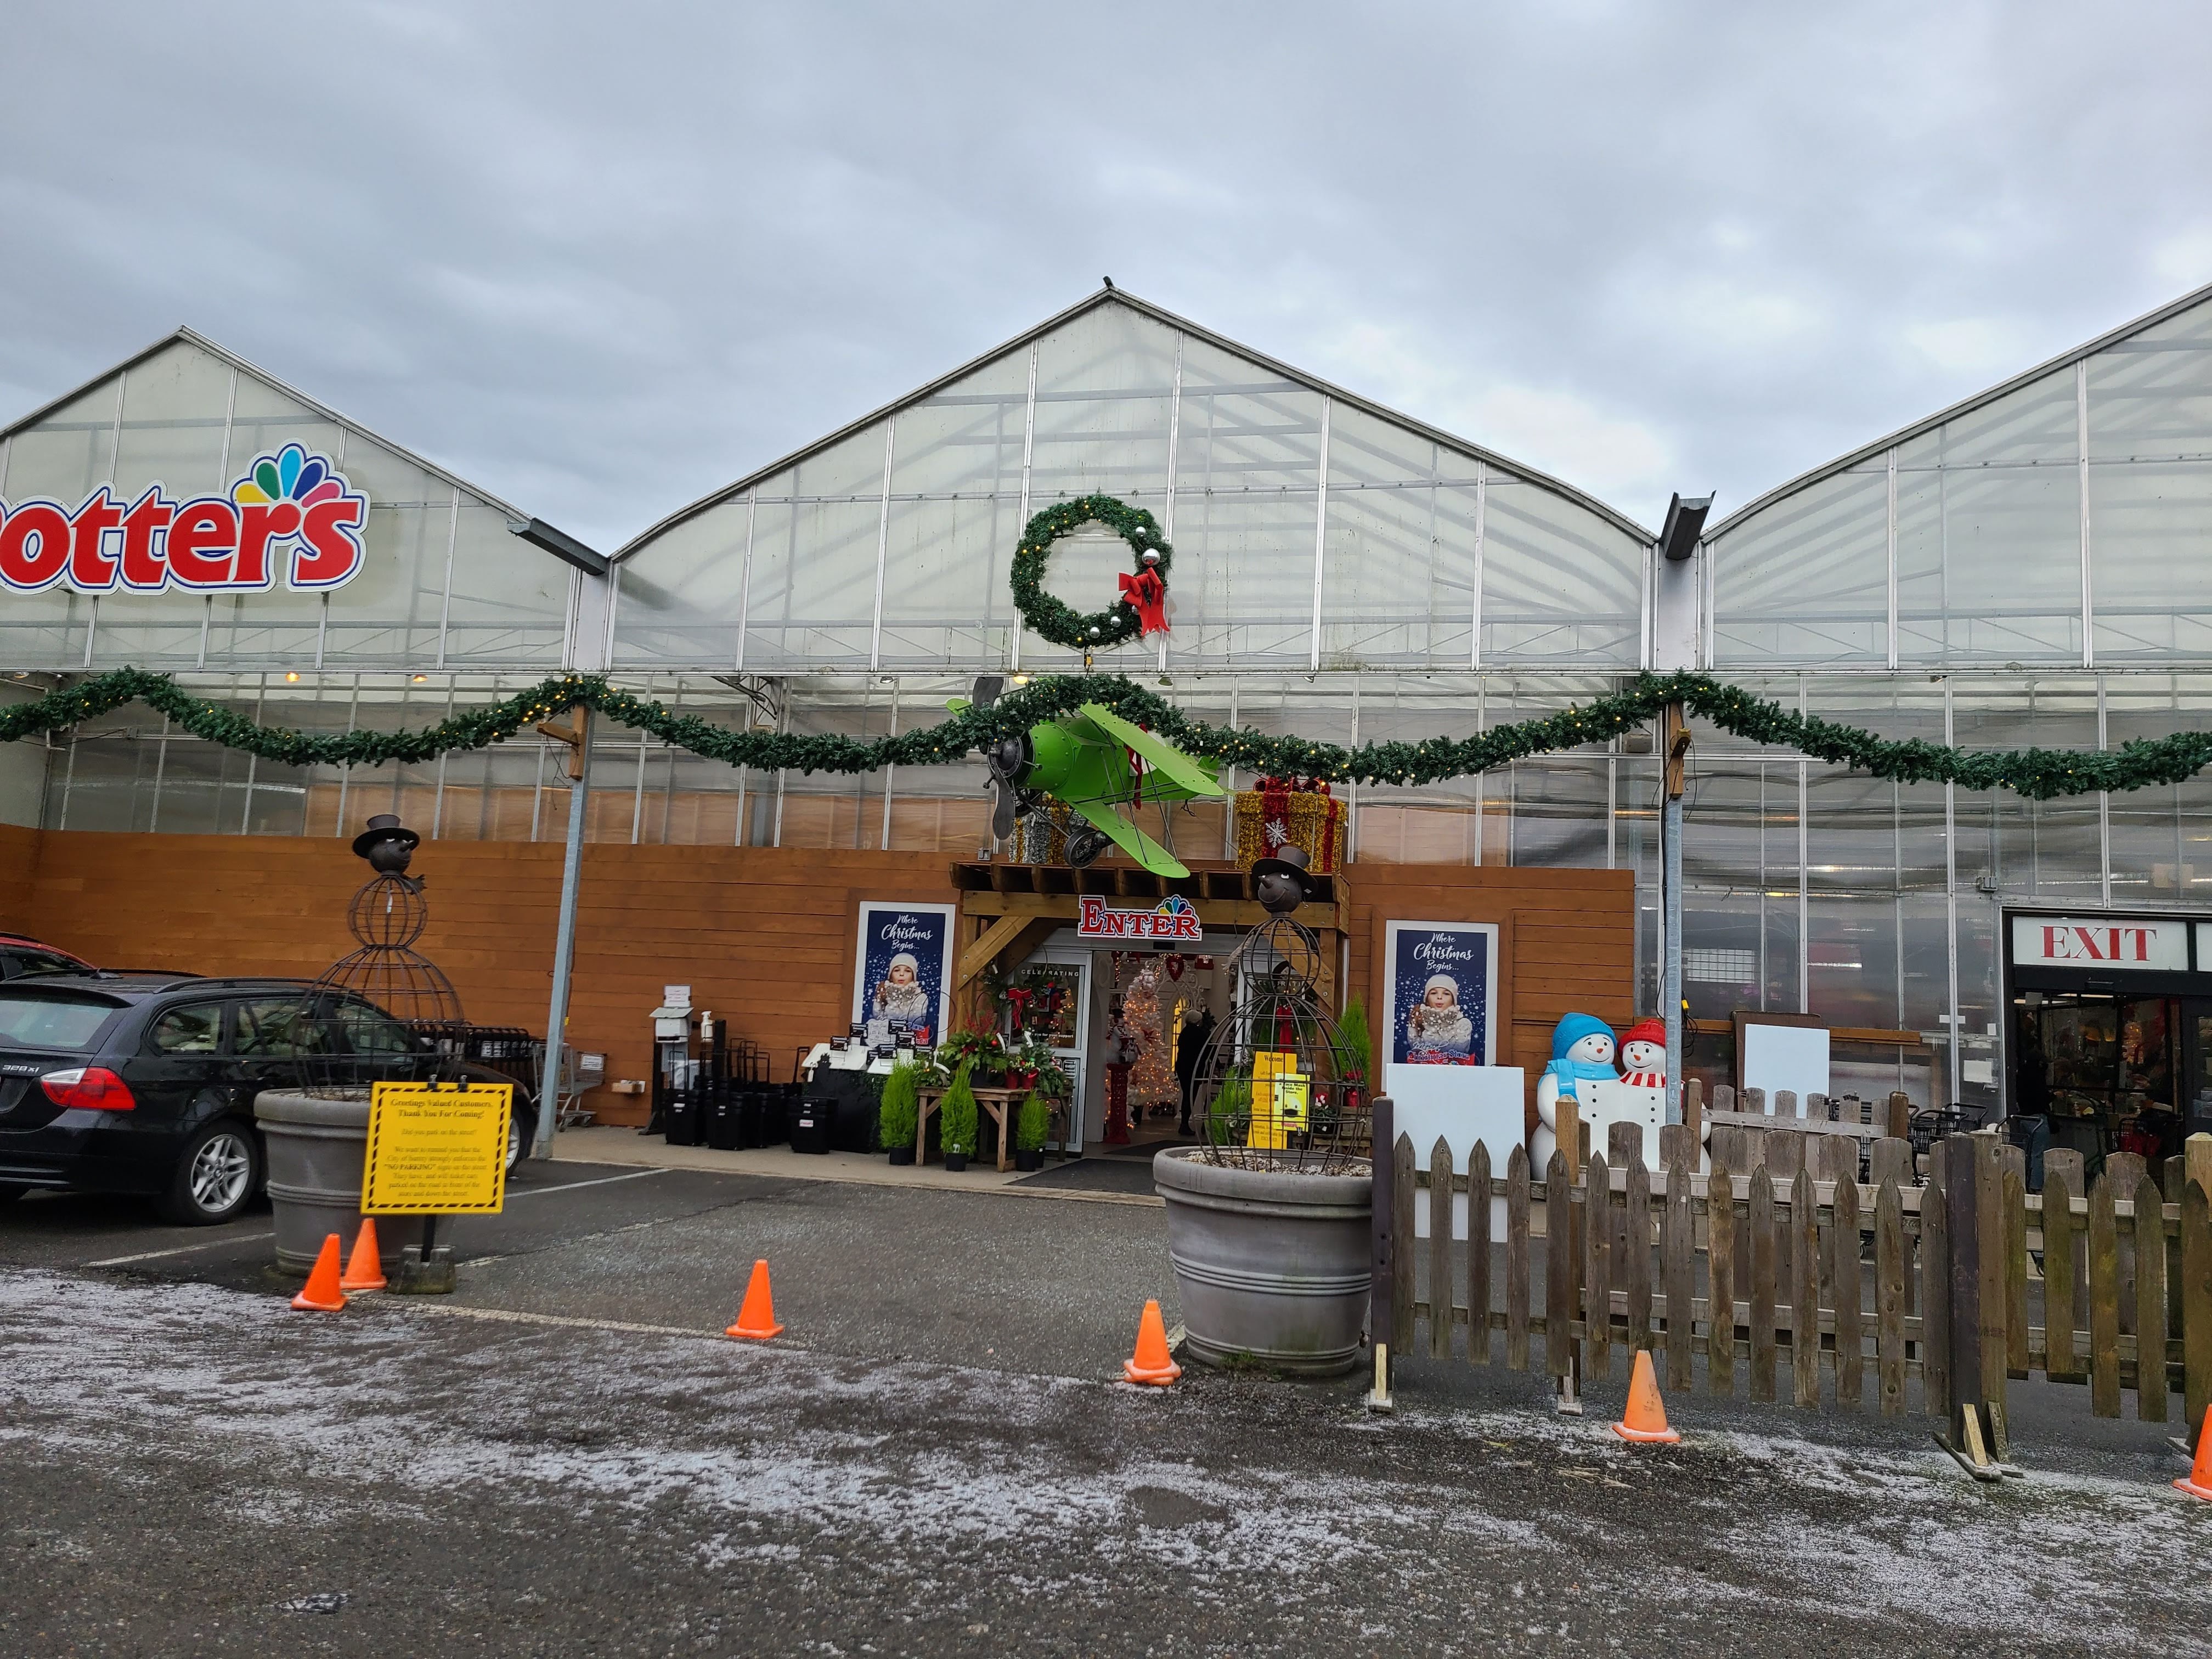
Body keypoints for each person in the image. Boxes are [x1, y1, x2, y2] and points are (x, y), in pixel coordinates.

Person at [1405, 972, 1473, 1060]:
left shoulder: (1464, 1024)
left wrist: (1446, 1026)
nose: (1440, 997)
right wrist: (1432, 1026)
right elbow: (1421, 1055)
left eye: (1446, 994)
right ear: (1427, 998)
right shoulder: (1417, 1019)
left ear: (1453, 999)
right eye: (1434, 993)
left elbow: (1455, 1055)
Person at [1175, 1005, 1215, 1136]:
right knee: (1190, 1096)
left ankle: (1184, 1123)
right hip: (1194, 1068)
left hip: (1182, 1067)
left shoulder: (1184, 1032)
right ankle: (1185, 1124)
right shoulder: (1200, 1034)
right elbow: (1207, 1050)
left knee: (1187, 1094)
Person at [874, 952, 930, 1025]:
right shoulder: (883, 993)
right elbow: (878, 1020)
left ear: (913, 976)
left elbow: (916, 1022)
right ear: (891, 975)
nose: (902, 974)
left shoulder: (921, 998)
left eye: (908, 971)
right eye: (897, 970)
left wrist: (903, 1000)